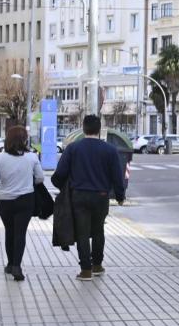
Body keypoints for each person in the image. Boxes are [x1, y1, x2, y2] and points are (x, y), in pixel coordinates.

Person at [51, 115, 125, 280]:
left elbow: (60, 174)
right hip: (101, 196)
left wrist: (61, 186)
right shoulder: (110, 150)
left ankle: (85, 270)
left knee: (82, 233)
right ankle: (97, 265)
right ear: (99, 130)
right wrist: (120, 196)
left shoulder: (73, 148)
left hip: (79, 196)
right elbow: (117, 177)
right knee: (98, 231)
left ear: (83, 129)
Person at [0, 125, 45, 281]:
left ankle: (10, 264)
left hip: (5, 202)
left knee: (10, 231)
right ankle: (17, 266)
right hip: (25, 200)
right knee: (20, 233)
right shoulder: (32, 157)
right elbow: (41, 178)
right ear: (24, 140)